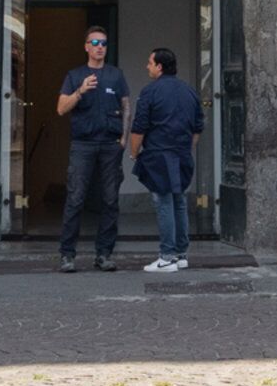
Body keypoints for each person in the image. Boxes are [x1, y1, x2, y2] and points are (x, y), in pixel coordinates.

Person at [52, 28, 130, 274]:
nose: (99, 47)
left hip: (110, 144)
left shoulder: (116, 75)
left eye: (104, 43)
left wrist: (124, 139)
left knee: (110, 200)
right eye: (95, 42)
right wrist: (80, 91)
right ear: (86, 46)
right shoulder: (75, 75)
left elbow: (126, 106)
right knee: (75, 199)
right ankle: (67, 255)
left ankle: (104, 254)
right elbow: (61, 109)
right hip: (83, 145)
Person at [126, 48, 203, 275]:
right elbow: (197, 127)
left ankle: (167, 256)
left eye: (150, 62)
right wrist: (187, 148)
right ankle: (181, 254)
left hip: (160, 154)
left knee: (164, 202)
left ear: (159, 66)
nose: (146, 66)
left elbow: (139, 127)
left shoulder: (150, 92)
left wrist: (133, 152)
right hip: (182, 154)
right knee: (179, 202)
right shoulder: (189, 91)